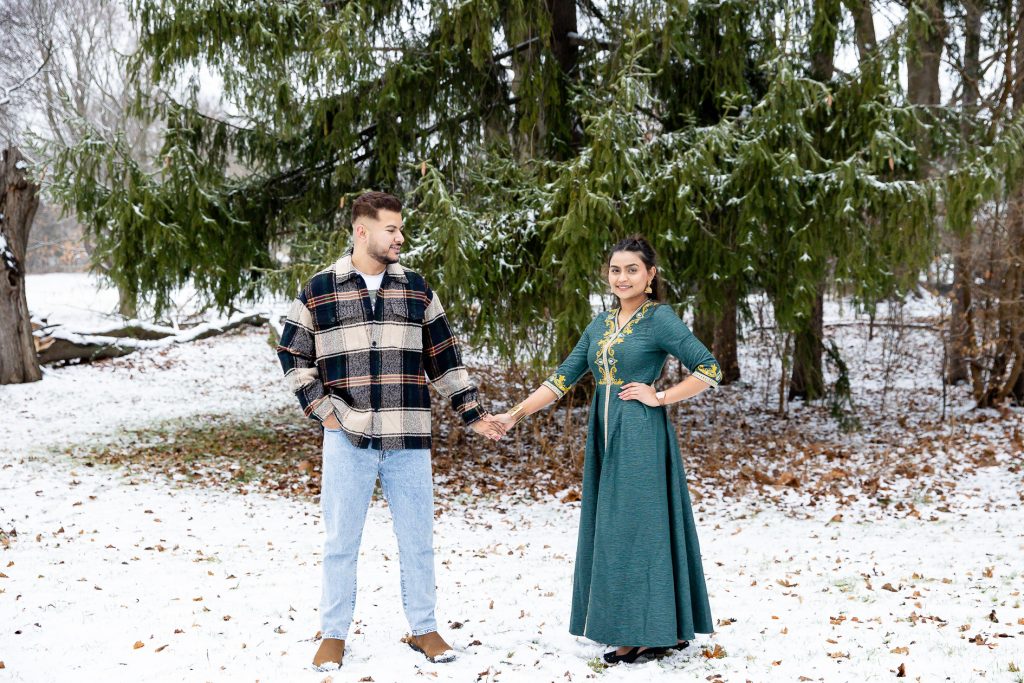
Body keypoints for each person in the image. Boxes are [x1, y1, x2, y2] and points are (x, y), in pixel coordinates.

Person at [276, 191, 505, 671]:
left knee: (418, 538)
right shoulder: (319, 289)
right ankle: (334, 634)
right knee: (341, 540)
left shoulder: (418, 290)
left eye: (401, 228)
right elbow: (293, 354)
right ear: (362, 231)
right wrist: (321, 408)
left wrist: (474, 414)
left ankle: (424, 628)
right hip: (347, 437)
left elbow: (445, 362)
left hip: (408, 437)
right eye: (391, 229)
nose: (401, 237)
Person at [494, 235, 720, 664]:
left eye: (632, 269)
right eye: (615, 270)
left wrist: (661, 397)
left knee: (634, 527)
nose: (622, 277)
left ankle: (643, 632)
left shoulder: (660, 319)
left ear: (650, 275)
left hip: (639, 434)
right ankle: (645, 626)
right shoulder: (600, 324)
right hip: (602, 434)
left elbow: (710, 369)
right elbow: (561, 379)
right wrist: (513, 414)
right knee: (614, 527)